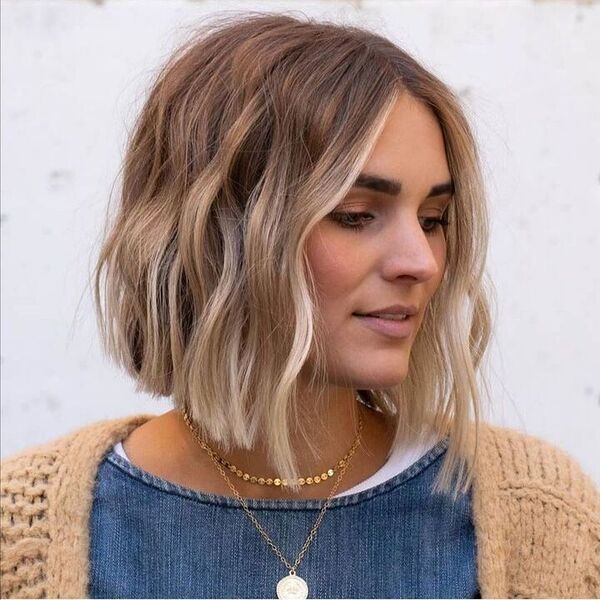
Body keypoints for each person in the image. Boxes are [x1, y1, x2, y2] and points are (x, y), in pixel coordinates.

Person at [1, 11, 598, 600]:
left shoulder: (538, 516)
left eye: (433, 219)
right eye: (356, 215)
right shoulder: (27, 533)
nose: (422, 262)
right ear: (216, 233)